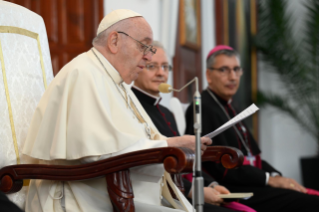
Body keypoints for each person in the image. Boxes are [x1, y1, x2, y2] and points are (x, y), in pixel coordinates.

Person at [21, 9, 211, 212]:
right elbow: (98, 154)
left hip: (114, 194)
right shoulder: (84, 74)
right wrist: (169, 144)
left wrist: (171, 144)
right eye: (143, 45)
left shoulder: (115, 82)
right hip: (81, 198)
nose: (148, 56)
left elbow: (126, 143)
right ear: (114, 42)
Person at [185, 45, 319, 212]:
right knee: (309, 203)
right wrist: (269, 179)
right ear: (208, 75)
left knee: (306, 194)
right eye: (224, 70)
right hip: (232, 190)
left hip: (250, 182)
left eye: (236, 70)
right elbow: (221, 166)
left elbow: (251, 155)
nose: (232, 77)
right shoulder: (203, 107)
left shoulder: (231, 105)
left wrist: (277, 177)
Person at [133, 41, 255, 212]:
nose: (161, 73)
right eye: (152, 66)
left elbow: (184, 161)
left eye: (166, 67)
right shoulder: (131, 109)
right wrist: (195, 190)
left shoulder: (166, 112)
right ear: (137, 68)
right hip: (159, 196)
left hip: (180, 189)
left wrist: (210, 184)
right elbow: (150, 164)